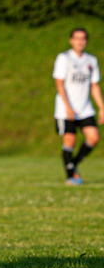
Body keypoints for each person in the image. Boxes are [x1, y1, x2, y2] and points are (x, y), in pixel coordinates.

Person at [53, 28, 102, 185]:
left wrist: (101, 107)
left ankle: (73, 164)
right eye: (77, 38)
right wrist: (68, 106)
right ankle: (70, 176)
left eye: (83, 38)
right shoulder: (64, 58)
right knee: (70, 141)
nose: (80, 41)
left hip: (85, 107)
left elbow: (94, 86)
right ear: (71, 40)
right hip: (65, 108)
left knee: (93, 137)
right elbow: (59, 84)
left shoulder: (91, 60)